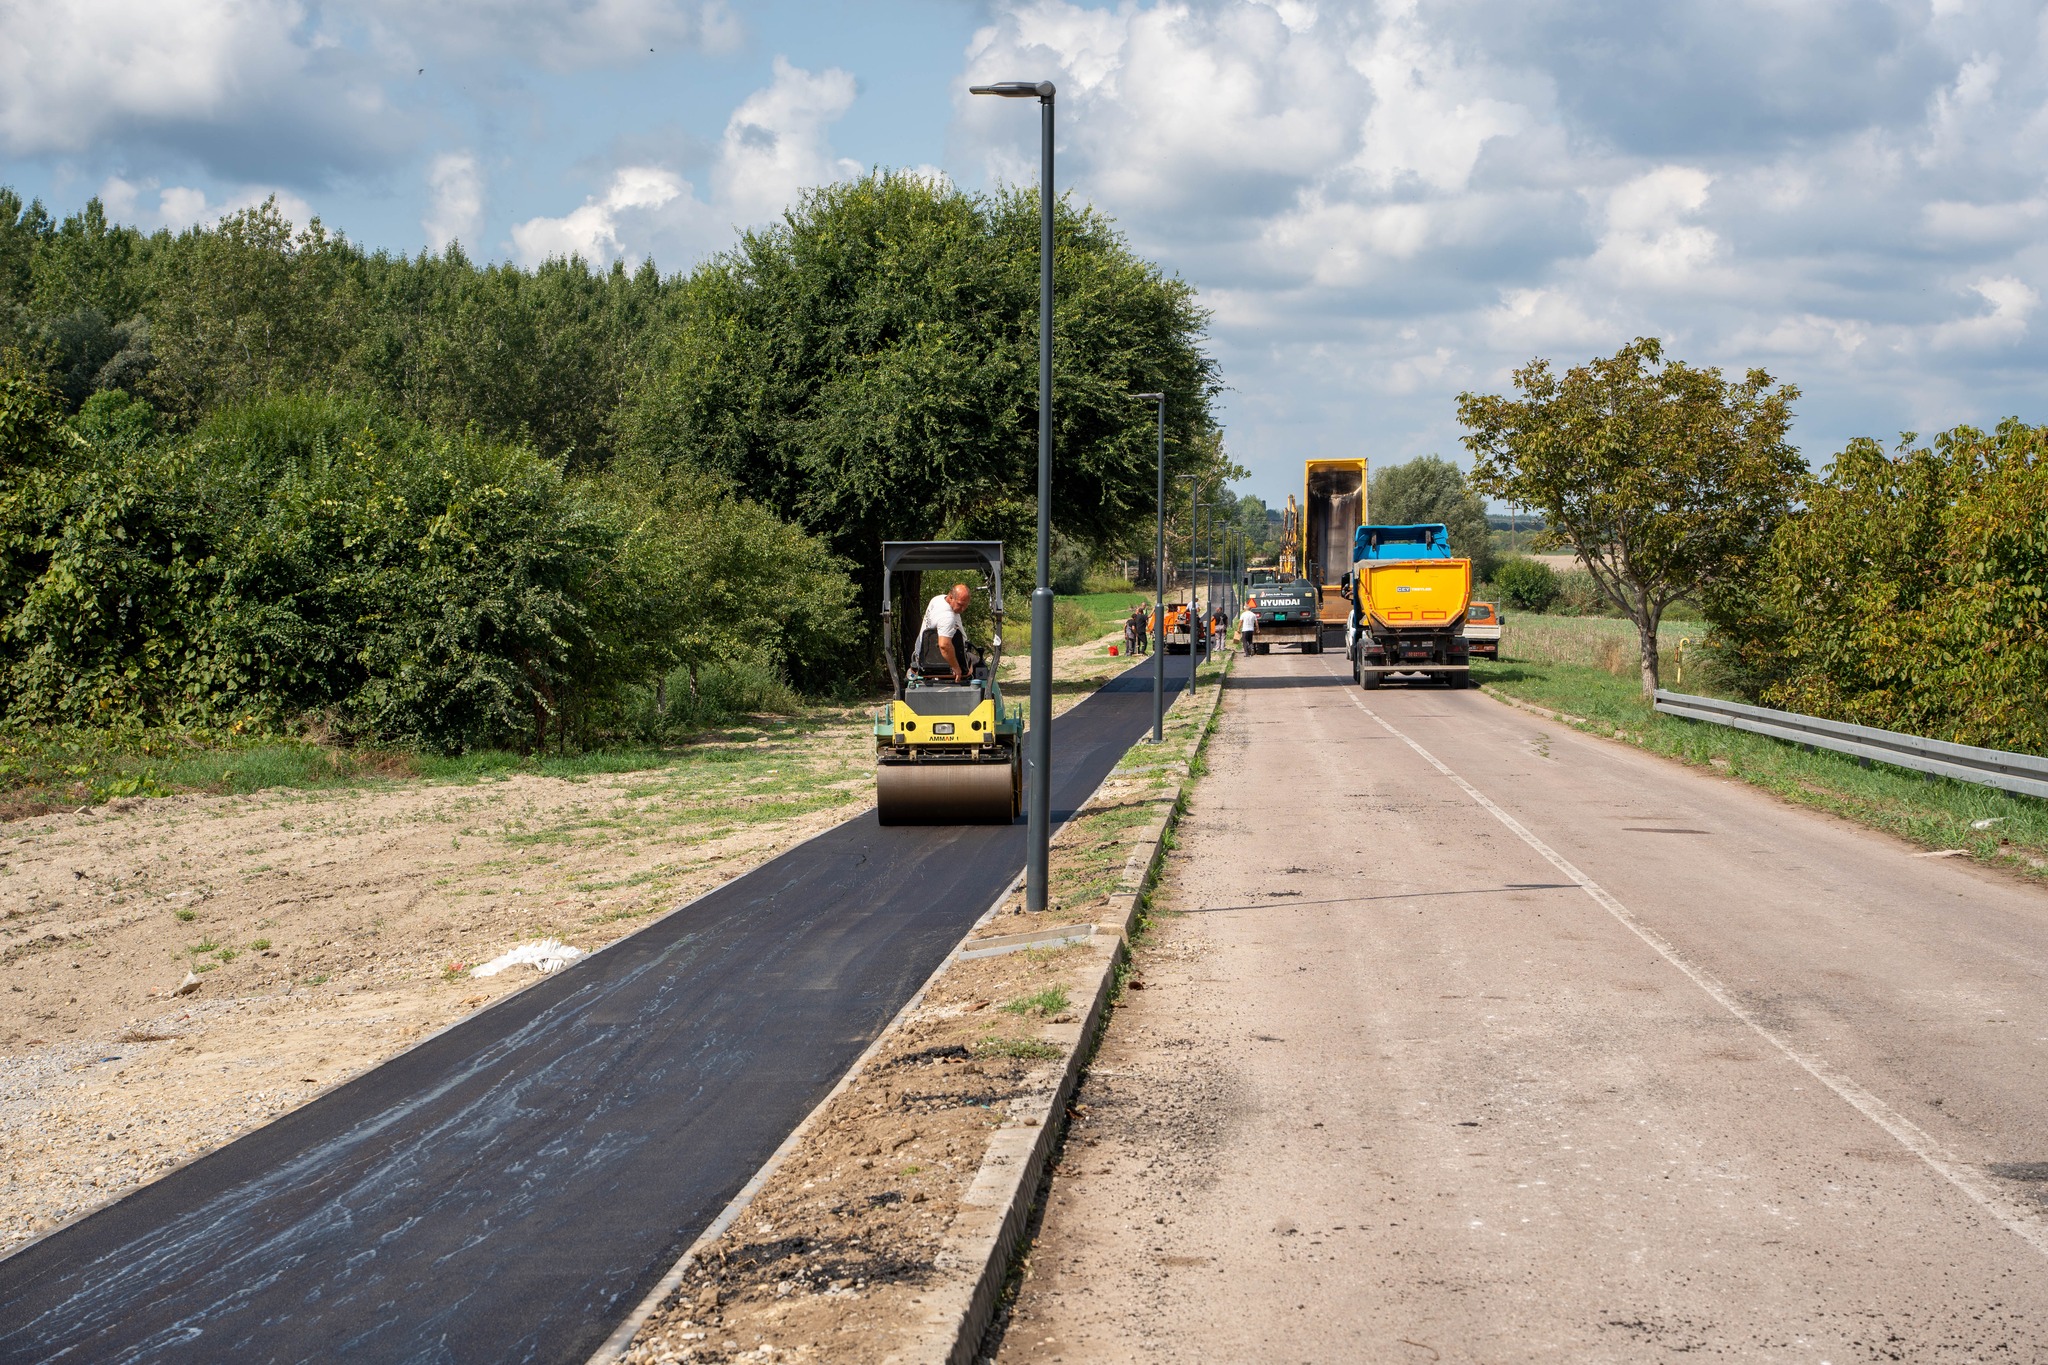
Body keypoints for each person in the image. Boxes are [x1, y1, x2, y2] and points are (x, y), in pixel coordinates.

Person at [919, 582, 973, 683]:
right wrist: (956, 668)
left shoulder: (938, 599)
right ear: (951, 597)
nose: (963, 609)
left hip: (925, 657)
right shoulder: (947, 617)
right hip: (942, 661)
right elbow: (944, 645)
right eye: (960, 605)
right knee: (980, 665)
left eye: (965, 606)